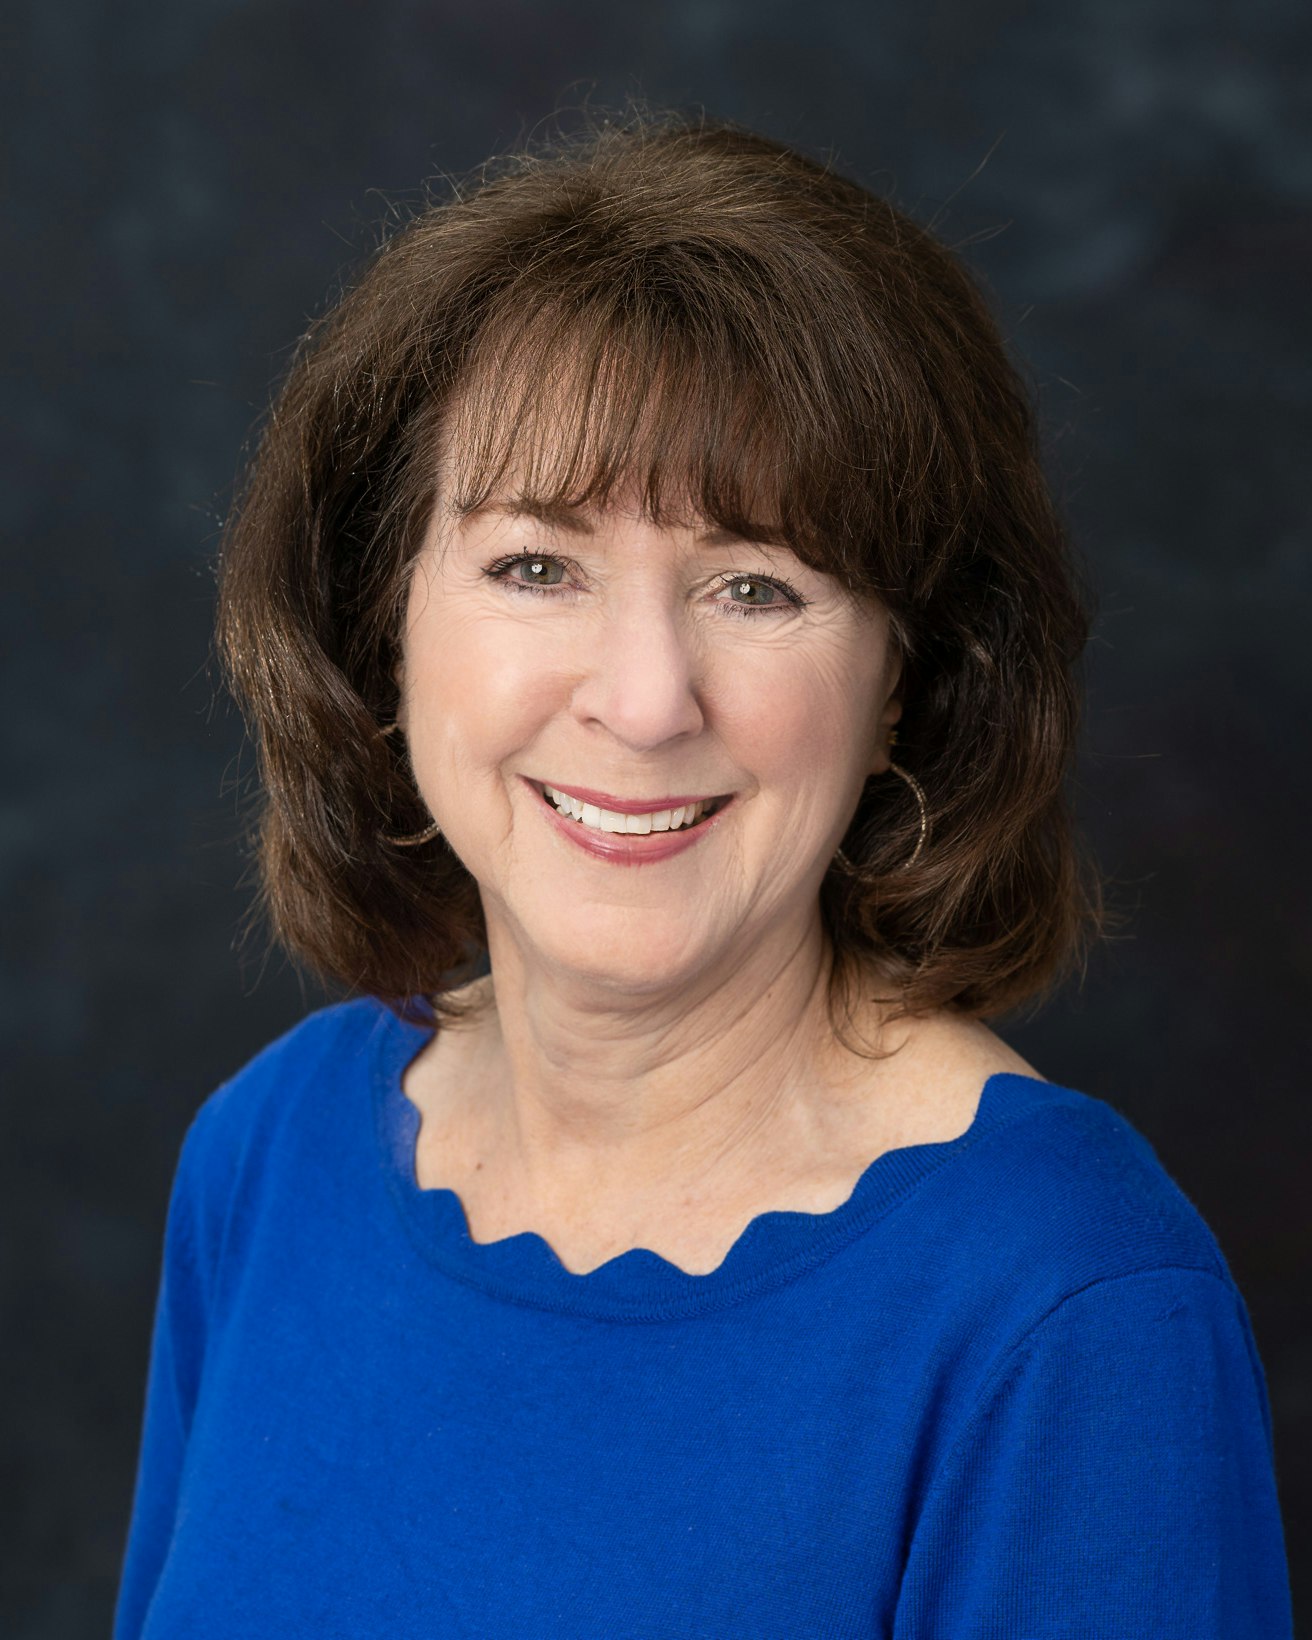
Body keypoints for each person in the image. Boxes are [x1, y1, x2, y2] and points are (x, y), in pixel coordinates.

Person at [114, 112, 1294, 1637]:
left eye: (757, 586)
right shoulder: (267, 1160)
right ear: (382, 628)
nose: (647, 699)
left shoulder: (1069, 1308)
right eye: (536, 565)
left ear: (907, 689)